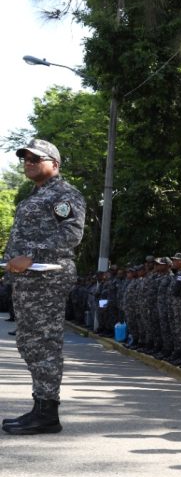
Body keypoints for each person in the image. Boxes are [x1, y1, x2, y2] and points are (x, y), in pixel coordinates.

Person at [2, 138, 86, 435]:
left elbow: (72, 234)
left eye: (35, 159)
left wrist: (32, 256)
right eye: (25, 158)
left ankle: (48, 413)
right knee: (29, 342)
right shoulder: (34, 195)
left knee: (44, 343)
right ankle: (40, 406)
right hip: (28, 280)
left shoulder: (63, 194)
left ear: (54, 163)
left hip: (47, 277)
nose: (28, 162)